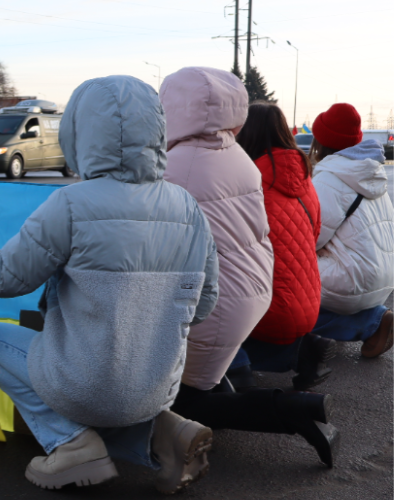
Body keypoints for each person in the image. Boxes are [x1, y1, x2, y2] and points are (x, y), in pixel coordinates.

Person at [0, 75, 219, 494]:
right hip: (160, 387)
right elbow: (204, 305)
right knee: (117, 382)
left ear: (77, 133)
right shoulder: (188, 207)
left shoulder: (70, 204)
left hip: (83, 387)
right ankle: (161, 430)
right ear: (157, 130)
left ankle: (71, 443)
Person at [160, 68, 338, 467]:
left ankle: (291, 410)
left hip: (212, 305)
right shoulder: (238, 158)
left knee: (177, 403)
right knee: (204, 384)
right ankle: (246, 379)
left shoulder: (176, 166)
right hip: (251, 294)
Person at [229, 102, 335, 392]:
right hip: (311, 300)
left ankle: (235, 372)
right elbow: (314, 234)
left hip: (272, 306)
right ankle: (302, 350)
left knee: (209, 318)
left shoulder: (249, 182)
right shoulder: (305, 179)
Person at [308, 103, 394, 357]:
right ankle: (373, 317)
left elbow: (310, 239)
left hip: (353, 281)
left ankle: (371, 324)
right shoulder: (372, 173)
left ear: (320, 142)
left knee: (282, 282)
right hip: (383, 277)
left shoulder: (328, 178)